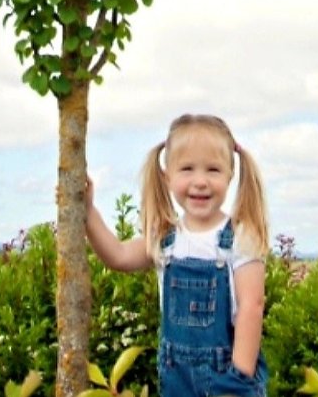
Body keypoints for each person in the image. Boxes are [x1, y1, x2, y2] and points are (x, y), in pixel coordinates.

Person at [86, 114, 270, 397]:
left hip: (228, 379)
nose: (200, 181)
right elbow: (119, 256)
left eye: (213, 170)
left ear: (231, 174)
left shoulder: (240, 236)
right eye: (187, 169)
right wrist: (86, 212)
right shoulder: (166, 238)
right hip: (176, 381)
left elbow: (251, 306)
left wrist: (238, 380)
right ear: (167, 175)